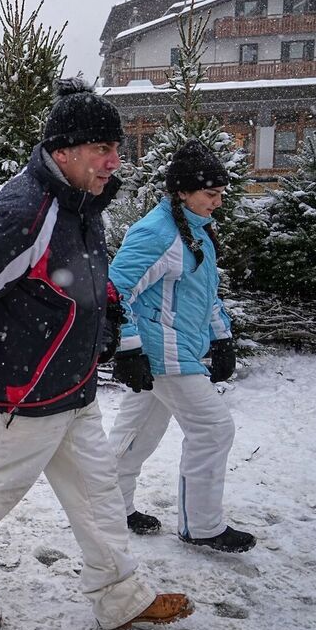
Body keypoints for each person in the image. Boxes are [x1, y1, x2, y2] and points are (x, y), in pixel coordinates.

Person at [0, 77, 193, 630]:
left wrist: (119, 343)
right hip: (23, 393)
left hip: (72, 387)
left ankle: (120, 597)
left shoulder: (80, 203)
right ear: (64, 152)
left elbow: (92, 287)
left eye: (116, 150)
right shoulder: (28, 211)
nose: (113, 162)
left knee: (99, 496)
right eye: (103, 150)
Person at [107, 140, 255, 553]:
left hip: (179, 351)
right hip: (163, 354)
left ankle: (109, 507)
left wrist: (222, 338)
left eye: (221, 194)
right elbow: (115, 292)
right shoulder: (156, 233)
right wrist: (130, 348)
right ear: (182, 192)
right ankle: (203, 526)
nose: (218, 202)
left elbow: (203, 293)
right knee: (213, 429)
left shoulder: (195, 231)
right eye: (211, 194)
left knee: (137, 433)